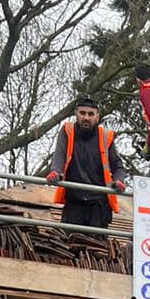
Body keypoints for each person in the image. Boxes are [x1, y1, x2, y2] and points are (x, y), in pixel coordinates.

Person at [45, 97, 127, 232]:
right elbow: (59, 155)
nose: (86, 118)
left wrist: (119, 180)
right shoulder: (67, 131)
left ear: (97, 116)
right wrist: (55, 171)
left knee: (97, 249)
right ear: (76, 114)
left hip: (98, 204)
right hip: (74, 202)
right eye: (82, 113)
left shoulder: (106, 136)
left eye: (90, 114)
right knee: (68, 246)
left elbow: (118, 166)